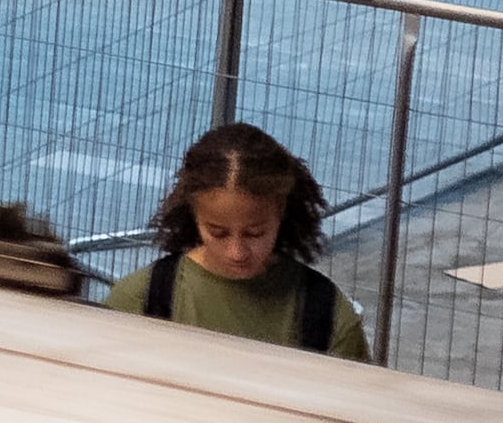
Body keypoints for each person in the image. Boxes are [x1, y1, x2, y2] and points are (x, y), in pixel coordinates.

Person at [103, 124, 368, 360]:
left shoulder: (329, 317)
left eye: (255, 233)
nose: (237, 252)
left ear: (281, 214)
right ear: (194, 217)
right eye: (218, 233)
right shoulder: (140, 300)